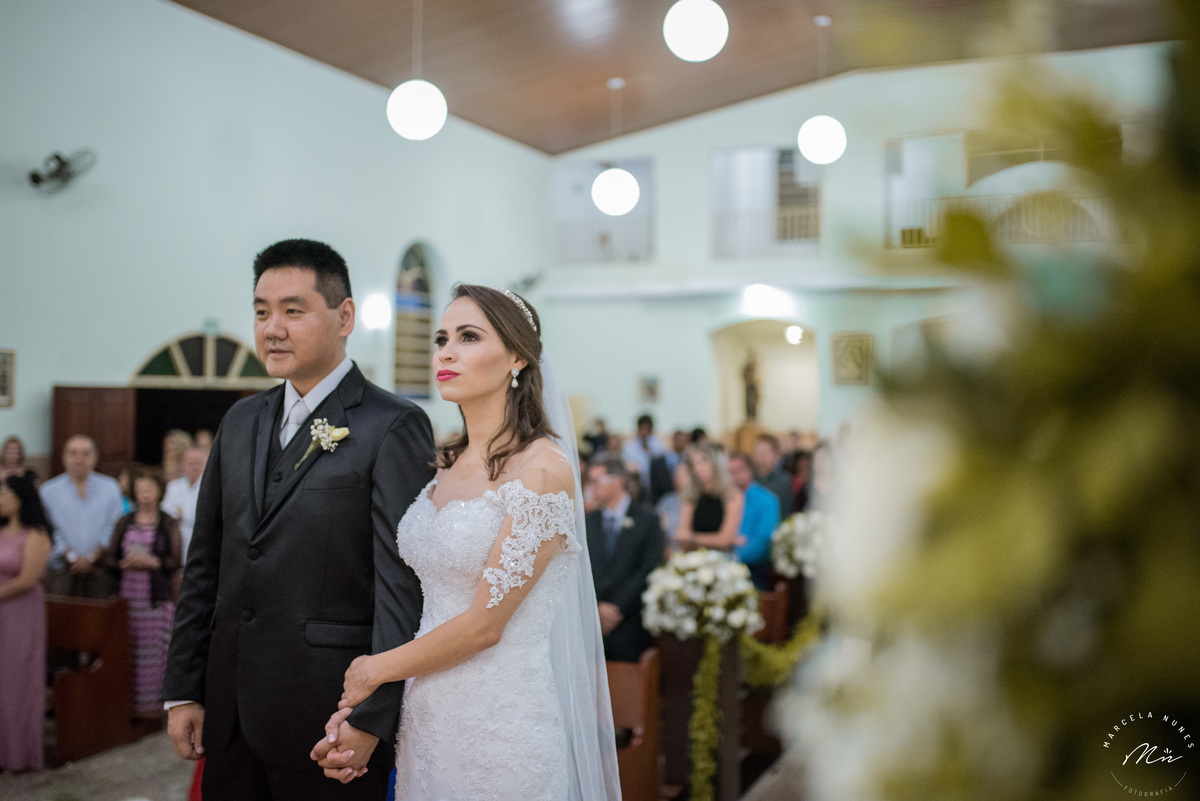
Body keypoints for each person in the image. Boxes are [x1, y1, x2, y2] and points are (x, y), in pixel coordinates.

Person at [316, 284, 620, 801]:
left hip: (501, 721)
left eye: (469, 337)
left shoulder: (543, 470)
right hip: (428, 714)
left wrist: (374, 669)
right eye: (442, 339)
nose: (446, 352)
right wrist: (366, 718)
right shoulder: (445, 465)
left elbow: (484, 625)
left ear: (517, 357)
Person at [163, 238, 436, 801]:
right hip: (231, 711)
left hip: (328, 717)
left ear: (345, 317)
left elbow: (401, 587)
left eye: (293, 310)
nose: (271, 328)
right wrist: (184, 689)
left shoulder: (393, 425)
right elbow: (206, 562)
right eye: (261, 311)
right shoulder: (240, 420)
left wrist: (370, 717)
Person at [103, 466, 182, 717]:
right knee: (128, 649)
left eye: (150, 489)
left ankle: (153, 710)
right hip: (128, 594)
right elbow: (110, 559)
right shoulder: (124, 521)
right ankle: (126, 706)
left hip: (155, 598)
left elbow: (175, 560)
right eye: (141, 489)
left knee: (155, 653)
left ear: (159, 491)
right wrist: (122, 563)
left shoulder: (168, 522)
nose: (145, 493)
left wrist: (154, 563)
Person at [585, 456, 664, 663]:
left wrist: (617, 608)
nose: (591, 487)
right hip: (593, 621)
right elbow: (582, 568)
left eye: (596, 480)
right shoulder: (588, 521)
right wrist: (596, 607)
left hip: (630, 622)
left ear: (617, 481)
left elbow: (649, 567)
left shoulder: (647, 520)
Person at [0, 476, 53, 772]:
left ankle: (18, 756)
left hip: (20, 613)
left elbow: (27, 579)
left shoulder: (36, 535)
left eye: (4, 492)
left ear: (20, 498)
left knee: (16, 682)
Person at [39, 435, 123, 598]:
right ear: (64, 457)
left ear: (95, 457)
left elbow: (114, 524)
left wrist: (92, 557)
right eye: (73, 453)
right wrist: (71, 556)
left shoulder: (110, 487)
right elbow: (48, 529)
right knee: (62, 618)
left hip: (100, 568)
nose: (79, 459)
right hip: (62, 569)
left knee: (99, 619)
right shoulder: (49, 491)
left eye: (85, 454)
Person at [673, 444, 743, 552]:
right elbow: (683, 539)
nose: (697, 469)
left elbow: (724, 540)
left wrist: (692, 537)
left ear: (715, 464)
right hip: (693, 557)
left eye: (702, 463)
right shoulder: (691, 494)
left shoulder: (732, 495)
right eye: (694, 465)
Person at [727, 451, 781, 590]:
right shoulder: (724, 498)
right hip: (725, 564)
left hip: (754, 569)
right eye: (730, 471)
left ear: (750, 471)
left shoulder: (767, 500)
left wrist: (734, 556)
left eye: (738, 470)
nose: (734, 476)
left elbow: (763, 539)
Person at [162, 447, 206, 559]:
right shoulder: (174, 486)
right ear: (183, 465)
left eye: (197, 463)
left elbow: (201, 516)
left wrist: (182, 513)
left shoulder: (209, 488)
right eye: (190, 463)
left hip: (200, 540)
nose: (194, 467)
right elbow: (166, 513)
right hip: (175, 541)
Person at [621, 414, 666, 500]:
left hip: (655, 487)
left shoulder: (658, 445)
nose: (644, 432)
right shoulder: (630, 447)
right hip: (637, 487)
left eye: (647, 429)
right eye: (642, 429)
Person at [752, 433, 793, 518]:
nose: (760, 457)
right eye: (757, 452)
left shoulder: (784, 480)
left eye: (764, 453)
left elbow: (786, 512)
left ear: (776, 456)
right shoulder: (749, 479)